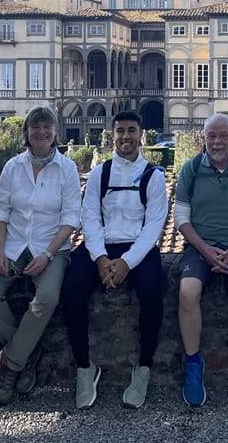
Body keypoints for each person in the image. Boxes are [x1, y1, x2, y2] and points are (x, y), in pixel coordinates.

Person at [61, 110, 168, 410]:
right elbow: (90, 217)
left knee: (151, 291)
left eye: (131, 130)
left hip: (138, 249)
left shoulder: (154, 176)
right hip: (101, 246)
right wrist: (100, 259)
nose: (125, 137)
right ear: (112, 135)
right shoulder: (100, 173)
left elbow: (153, 227)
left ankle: (143, 366)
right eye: (120, 131)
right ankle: (85, 367)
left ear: (141, 135)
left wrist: (127, 263)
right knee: (70, 289)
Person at [0, 107, 81, 405]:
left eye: (47, 127)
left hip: (51, 247)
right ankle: (27, 352)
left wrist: (48, 255)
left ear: (56, 131)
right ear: (27, 132)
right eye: (36, 127)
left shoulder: (67, 169)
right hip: (13, 244)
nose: (41, 132)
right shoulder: (12, 167)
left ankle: (11, 363)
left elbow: (71, 217)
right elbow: (1, 211)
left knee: (47, 297)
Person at [174, 114, 228, 408]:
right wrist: (204, 249)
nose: (217, 141)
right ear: (204, 138)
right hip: (200, 247)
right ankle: (193, 364)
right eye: (211, 135)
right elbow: (182, 218)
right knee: (187, 292)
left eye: (223, 135)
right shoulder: (192, 168)